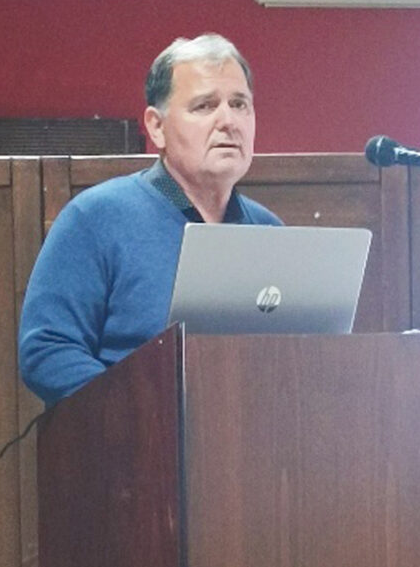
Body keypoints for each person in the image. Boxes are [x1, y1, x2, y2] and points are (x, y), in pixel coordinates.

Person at [19, 33, 282, 405]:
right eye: (205, 106)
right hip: (131, 435)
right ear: (156, 126)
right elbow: (47, 350)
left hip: (248, 434)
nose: (228, 121)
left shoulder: (270, 233)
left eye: (240, 104)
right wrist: (144, 412)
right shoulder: (95, 218)